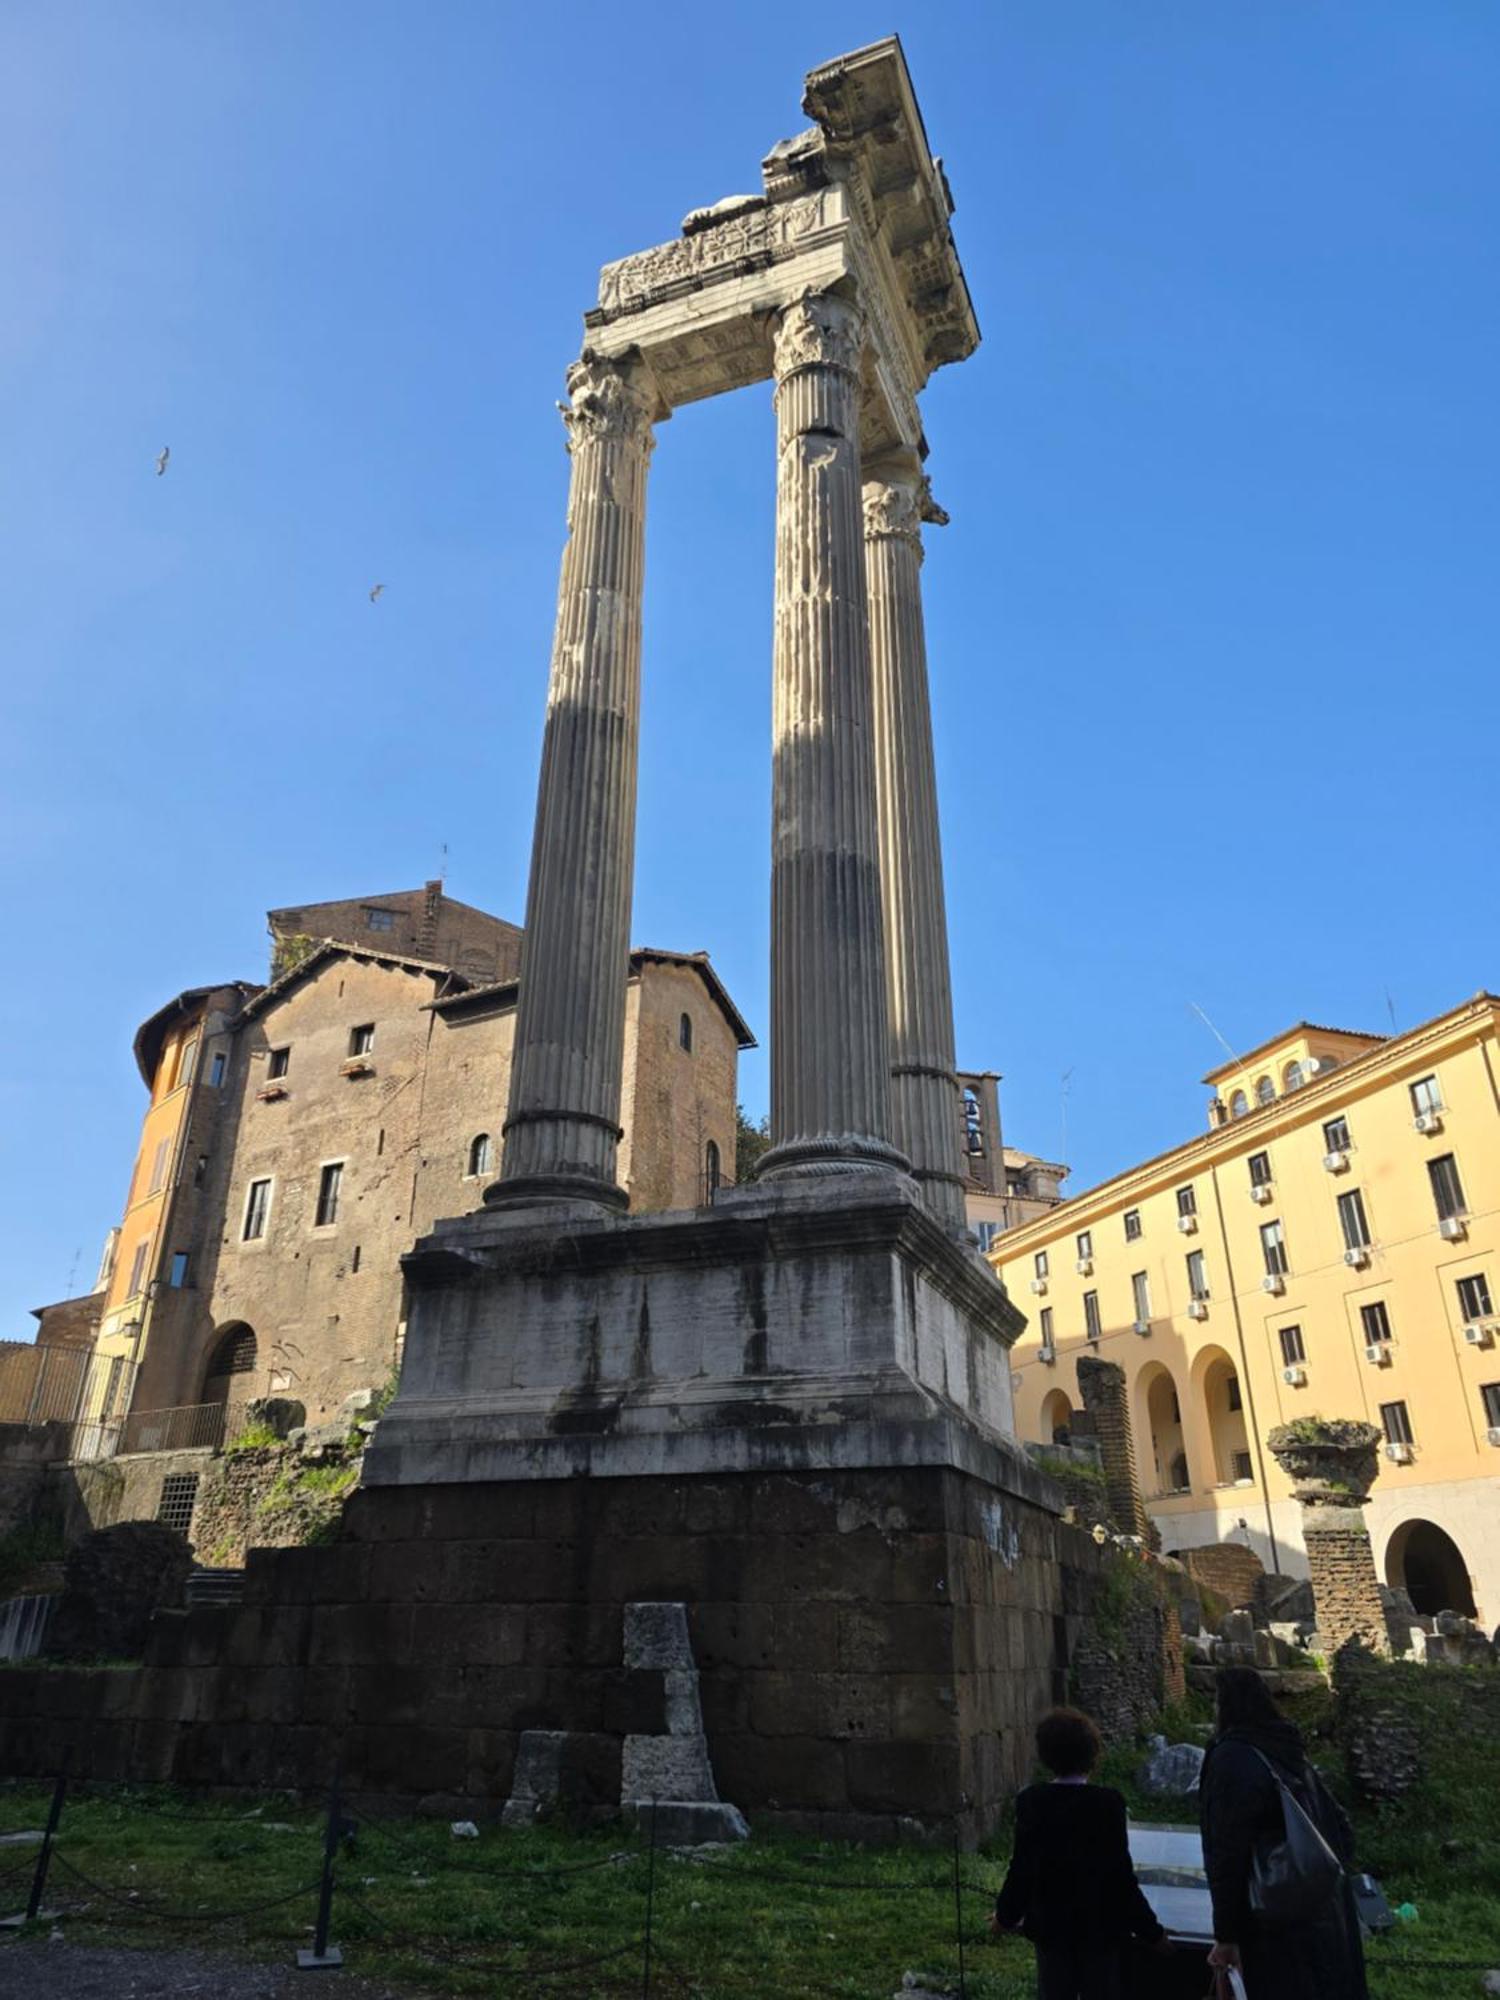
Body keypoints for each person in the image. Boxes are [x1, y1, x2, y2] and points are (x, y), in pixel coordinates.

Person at [1199, 1666, 1368, 2000]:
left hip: (1269, 1922)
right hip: (1324, 1913)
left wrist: (1227, 1935)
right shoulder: (1289, 1751)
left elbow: (1227, 1854)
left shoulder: (1232, 1757)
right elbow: (1342, 1833)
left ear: (1227, 1707)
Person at [991, 1706, 1170, 1999]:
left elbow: (1022, 1870)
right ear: (1092, 1754)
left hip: (1052, 1929)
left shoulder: (1032, 1802)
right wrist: (1152, 1932)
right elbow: (1120, 1877)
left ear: (1046, 1755)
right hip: (1100, 1929)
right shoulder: (1108, 1804)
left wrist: (1005, 1916)